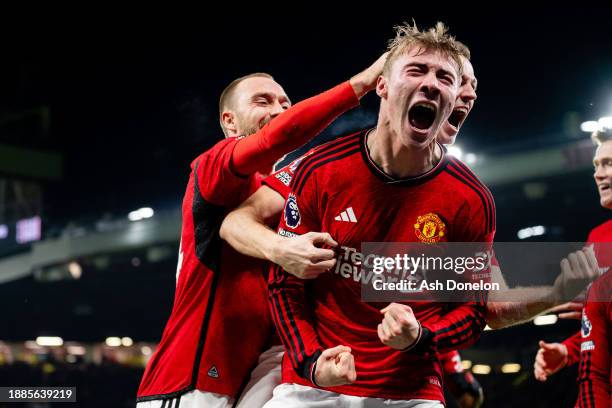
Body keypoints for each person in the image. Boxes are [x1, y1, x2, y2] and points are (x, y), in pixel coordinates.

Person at [136, 54, 387, 408]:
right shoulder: (213, 167)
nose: (280, 109)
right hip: (192, 383)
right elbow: (276, 140)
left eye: (286, 102)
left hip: (260, 377)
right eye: (262, 101)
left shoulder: (290, 190)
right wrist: (364, 82)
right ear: (230, 121)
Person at [533, 126, 612, 407]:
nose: (598, 174)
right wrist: (568, 350)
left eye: (608, 164)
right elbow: (598, 331)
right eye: (595, 165)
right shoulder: (597, 240)